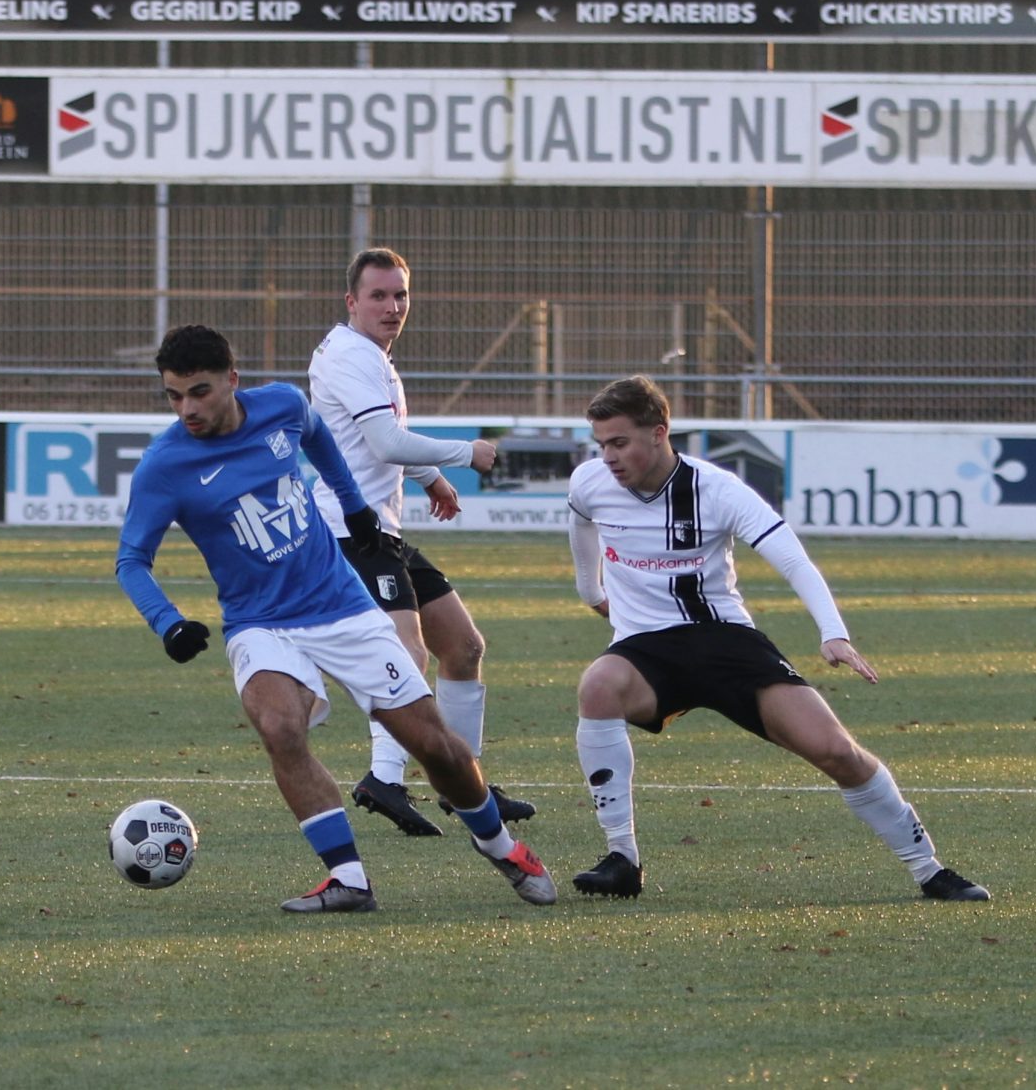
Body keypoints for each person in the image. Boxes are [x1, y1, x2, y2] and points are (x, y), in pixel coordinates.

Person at [116, 324, 555, 913]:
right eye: (174, 396)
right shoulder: (164, 466)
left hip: (341, 605)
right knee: (280, 728)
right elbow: (131, 560)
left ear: (232, 381)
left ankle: (499, 846)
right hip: (259, 622)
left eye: (200, 392)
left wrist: (355, 507)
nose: (187, 409)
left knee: (435, 747)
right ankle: (348, 879)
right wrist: (168, 622)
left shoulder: (282, 405)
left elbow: (320, 436)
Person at [564, 375, 988, 903]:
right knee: (598, 686)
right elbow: (581, 525)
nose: (608, 457)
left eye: (619, 442)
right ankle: (622, 858)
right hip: (645, 647)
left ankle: (929, 869)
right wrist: (590, 591)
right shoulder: (590, 481)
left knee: (836, 752)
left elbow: (792, 558)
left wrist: (833, 633)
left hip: (724, 643)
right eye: (601, 444)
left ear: (658, 432)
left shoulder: (716, 489)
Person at [307, 248, 534, 837]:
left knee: (463, 646)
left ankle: (466, 784)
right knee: (407, 654)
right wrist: (465, 453)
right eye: (378, 296)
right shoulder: (353, 356)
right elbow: (385, 441)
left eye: (400, 295)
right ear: (352, 301)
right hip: (351, 530)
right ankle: (384, 777)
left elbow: (371, 441)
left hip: (382, 529)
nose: (392, 306)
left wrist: (429, 476)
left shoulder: (372, 355)